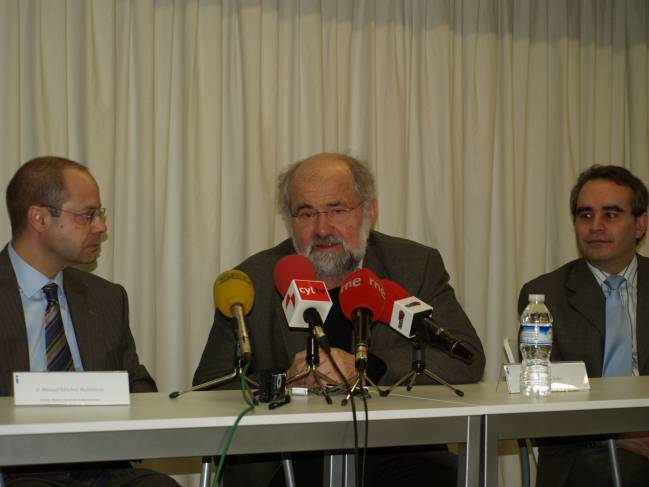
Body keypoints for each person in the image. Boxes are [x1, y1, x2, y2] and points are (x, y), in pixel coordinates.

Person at [194, 152, 485, 486]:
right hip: (291, 457)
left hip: (397, 447)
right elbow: (211, 385)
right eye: (306, 214)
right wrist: (283, 379)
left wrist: (368, 366)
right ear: (290, 221)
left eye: (336, 210)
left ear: (369, 211)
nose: (322, 228)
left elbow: (465, 357)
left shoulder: (414, 266)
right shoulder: (254, 279)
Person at [0, 156, 179, 486]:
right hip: (20, 469)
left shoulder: (106, 298)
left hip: (104, 467)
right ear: (39, 218)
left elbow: (137, 383)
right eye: (87, 215)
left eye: (100, 214)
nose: (101, 226)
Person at [519, 165, 649, 487]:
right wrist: (616, 433)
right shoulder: (545, 295)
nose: (596, 227)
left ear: (640, 224)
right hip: (582, 448)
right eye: (585, 215)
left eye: (611, 214)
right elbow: (546, 389)